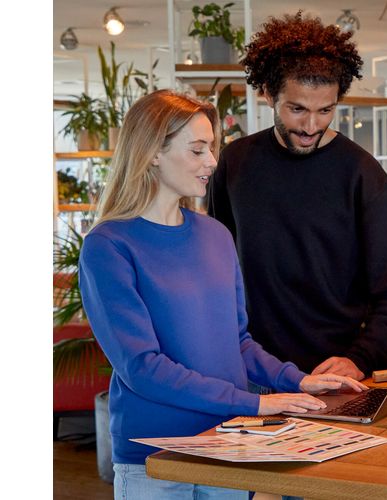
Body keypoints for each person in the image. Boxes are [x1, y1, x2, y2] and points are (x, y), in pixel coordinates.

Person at [79, 89, 367, 500]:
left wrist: (299, 381)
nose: (212, 162)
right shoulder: (109, 245)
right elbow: (141, 367)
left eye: (211, 148)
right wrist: (254, 404)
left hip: (227, 442)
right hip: (156, 455)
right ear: (153, 153)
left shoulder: (215, 235)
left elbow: (238, 343)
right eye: (197, 150)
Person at [208, 12, 387, 382]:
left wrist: (360, 357)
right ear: (268, 94)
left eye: (325, 111)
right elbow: (217, 262)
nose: (311, 127)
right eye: (297, 109)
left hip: (336, 377)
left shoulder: (363, 174)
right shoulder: (235, 162)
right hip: (255, 373)